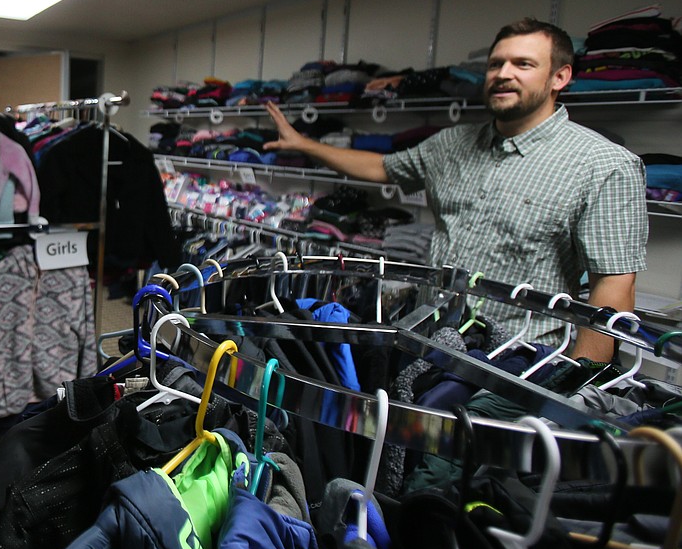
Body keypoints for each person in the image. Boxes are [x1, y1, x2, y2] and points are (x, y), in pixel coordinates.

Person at [262, 18, 648, 362]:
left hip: (520, 361)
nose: (503, 73)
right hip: (430, 344)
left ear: (559, 77)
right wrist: (304, 145)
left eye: (523, 64)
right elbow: (383, 167)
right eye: (496, 64)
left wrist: (575, 389)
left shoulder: (605, 165)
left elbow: (612, 286)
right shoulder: (449, 145)